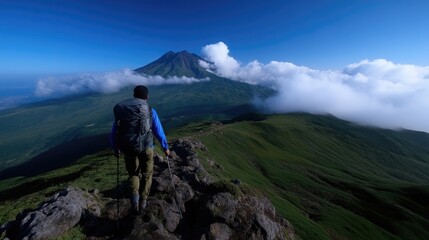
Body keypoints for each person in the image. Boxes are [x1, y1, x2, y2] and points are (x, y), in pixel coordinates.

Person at [110, 85, 170, 214]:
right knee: (147, 174)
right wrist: (165, 147)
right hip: (147, 147)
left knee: (133, 174)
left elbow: (115, 131)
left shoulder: (124, 110)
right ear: (147, 97)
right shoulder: (149, 110)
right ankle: (144, 201)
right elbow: (158, 130)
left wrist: (115, 148)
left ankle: (134, 201)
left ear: (134, 95)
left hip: (129, 148)